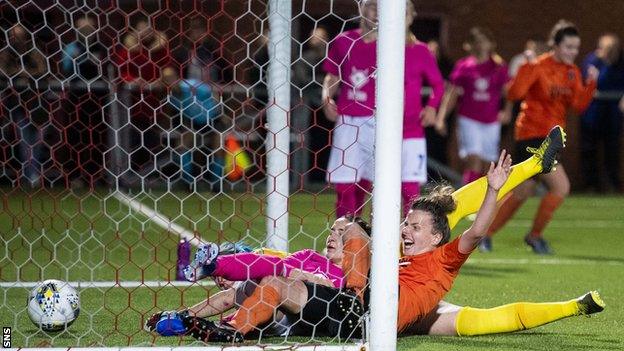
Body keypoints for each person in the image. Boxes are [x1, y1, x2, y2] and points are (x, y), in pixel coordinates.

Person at [146, 127, 603, 341]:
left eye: (413, 227)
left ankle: (574, 303)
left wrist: (499, 187)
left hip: (363, 312)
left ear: (436, 239)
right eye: (405, 224)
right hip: (364, 305)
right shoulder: (401, 256)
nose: (404, 230)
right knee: (255, 285)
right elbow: (442, 215)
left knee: (483, 319)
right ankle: (189, 317)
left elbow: (476, 223)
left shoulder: (443, 256)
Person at [484, 20, 599, 254]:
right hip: (532, 135)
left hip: (554, 138)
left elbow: (578, 106)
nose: (573, 52)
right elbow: (515, 93)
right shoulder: (538, 66)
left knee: (522, 191)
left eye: (576, 48)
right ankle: (534, 237)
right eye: (568, 47)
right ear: (554, 45)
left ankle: (484, 234)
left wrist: (591, 84)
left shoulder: (572, 72)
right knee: (561, 187)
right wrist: (526, 68)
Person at [322, 0, 444, 217]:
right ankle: (348, 239)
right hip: (350, 121)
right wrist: (326, 97)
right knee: (347, 187)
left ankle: (404, 241)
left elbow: (437, 84)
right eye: (371, 5)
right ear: (360, 8)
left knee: (404, 189)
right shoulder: (344, 41)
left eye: (381, 5)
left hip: (394, 126)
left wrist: (432, 107)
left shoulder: (398, 48)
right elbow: (333, 74)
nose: (376, 10)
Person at [181, 215, 372, 290]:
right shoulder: (311, 256)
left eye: (341, 234)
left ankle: (217, 265)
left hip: (294, 308)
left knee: (274, 269)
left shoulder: (353, 281)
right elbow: (280, 264)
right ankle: (213, 268)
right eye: (331, 231)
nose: (331, 237)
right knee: (268, 264)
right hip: (272, 294)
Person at [435, 27, 511, 192]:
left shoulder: (498, 67)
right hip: (469, 119)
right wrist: (441, 117)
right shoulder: (464, 66)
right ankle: (469, 198)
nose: (482, 45)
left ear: (491, 44)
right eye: (478, 42)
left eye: (485, 41)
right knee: (473, 158)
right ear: (471, 45)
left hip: (491, 120)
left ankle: (482, 199)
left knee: (487, 163)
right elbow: (451, 94)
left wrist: (507, 111)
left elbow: (508, 92)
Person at [580, 33, 624, 193]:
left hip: (614, 110)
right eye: (608, 49)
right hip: (594, 110)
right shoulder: (592, 61)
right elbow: (591, 82)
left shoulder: (620, 62)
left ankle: (612, 184)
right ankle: (591, 185)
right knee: (589, 148)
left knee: (612, 148)